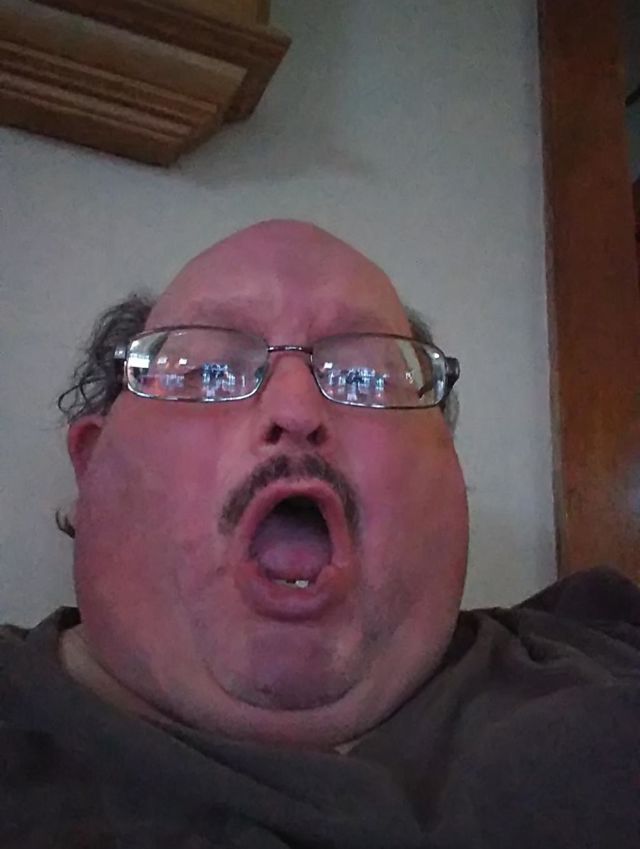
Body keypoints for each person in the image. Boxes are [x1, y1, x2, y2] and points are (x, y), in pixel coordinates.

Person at [1, 219, 639, 849]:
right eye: (211, 372)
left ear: (448, 461)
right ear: (94, 463)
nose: (296, 410)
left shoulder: (607, 644)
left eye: (365, 379)